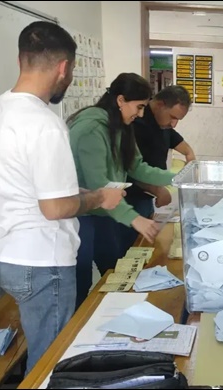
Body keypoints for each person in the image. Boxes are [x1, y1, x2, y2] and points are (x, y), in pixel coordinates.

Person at [0, 21, 124, 375]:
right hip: (42, 262)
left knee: (41, 350)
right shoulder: (44, 123)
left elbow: (28, 188)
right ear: (64, 68)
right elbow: (55, 207)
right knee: (49, 365)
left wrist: (84, 194)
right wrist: (100, 198)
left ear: (20, 60)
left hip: (6, 254)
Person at [68, 73, 177, 308]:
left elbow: (137, 167)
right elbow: (100, 187)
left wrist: (180, 177)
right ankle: (71, 334)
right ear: (120, 100)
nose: (140, 114)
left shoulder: (121, 125)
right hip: (81, 216)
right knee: (80, 281)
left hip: (105, 214)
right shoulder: (91, 129)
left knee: (114, 271)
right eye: (138, 107)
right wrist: (135, 219)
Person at [120, 85, 194, 248]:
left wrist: (189, 153)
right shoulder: (136, 123)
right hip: (128, 198)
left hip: (146, 198)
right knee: (128, 249)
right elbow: (131, 170)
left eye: (178, 120)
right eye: (172, 117)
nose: (173, 124)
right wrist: (158, 189)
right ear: (160, 104)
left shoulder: (163, 123)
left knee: (145, 246)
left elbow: (175, 139)